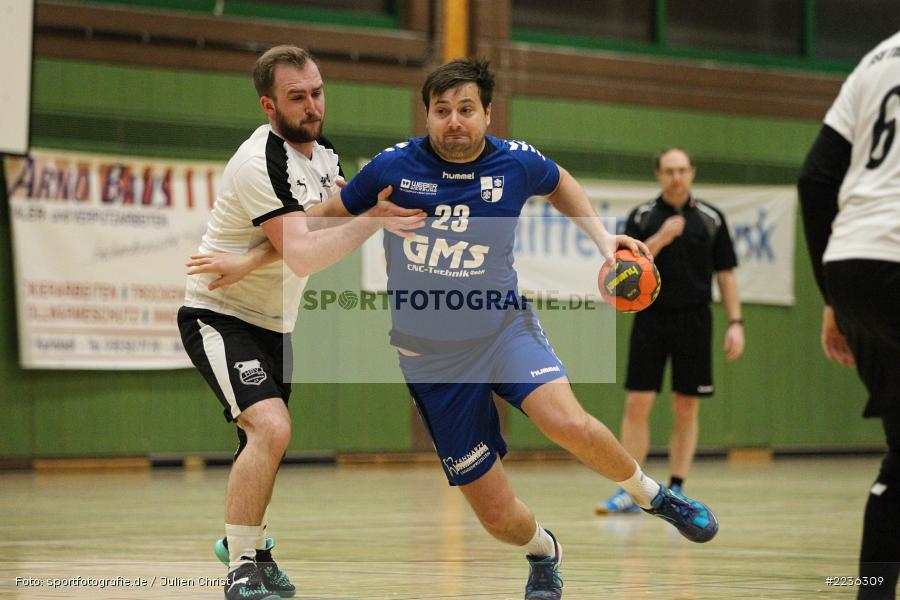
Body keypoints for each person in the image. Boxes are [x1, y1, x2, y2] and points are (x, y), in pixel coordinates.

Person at [204, 58, 721, 599]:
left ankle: (652, 495)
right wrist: (247, 260)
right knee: (497, 517)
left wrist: (603, 240)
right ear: (427, 115)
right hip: (432, 361)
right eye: (442, 110)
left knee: (566, 422)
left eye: (466, 110)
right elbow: (316, 219)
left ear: (487, 114)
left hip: (503, 332)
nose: (454, 121)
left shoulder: (515, 162)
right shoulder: (393, 168)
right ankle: (544, 552)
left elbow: (560, 182)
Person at [178, 45, 424, 600]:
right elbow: (306, 254)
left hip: (274, 320)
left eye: (317, 92)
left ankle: (251, 545)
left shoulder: (323, 152)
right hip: (219, 312)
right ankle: (242, 565)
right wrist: (375, 220)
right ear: (269, 105)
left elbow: (312, 222)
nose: (313, 107)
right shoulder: (257, 162)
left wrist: (251, 257)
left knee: (262, 441)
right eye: (297, 97)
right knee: (272, 428)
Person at [798, 31, 900, 600]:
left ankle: (871, 588)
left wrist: (832, 295)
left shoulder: (875, 55)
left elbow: (815, 179)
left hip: (854, 263)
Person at [596, 147, 745, 515]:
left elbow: (725, 274)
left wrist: (736, 323)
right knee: (637, 402)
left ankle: (677, 487)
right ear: (658, 175)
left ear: (692, 172)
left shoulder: (711, 218)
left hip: (695, 320)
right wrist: (661, 237)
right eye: (669, 170)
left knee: (686, 404)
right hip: (651, 319)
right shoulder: (643, 216)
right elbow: (622, 269)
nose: (676, 177)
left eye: (682, 170)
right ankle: (631, 490)